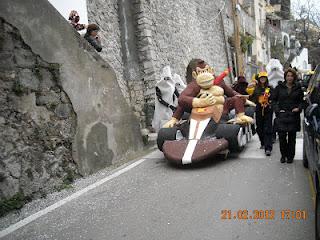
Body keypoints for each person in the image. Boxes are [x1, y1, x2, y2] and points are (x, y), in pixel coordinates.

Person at [163, 59, 253, 128]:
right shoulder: (195, 85)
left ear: (211, 71)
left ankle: (241, 116)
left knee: (237, 99)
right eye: (201, 72)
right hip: (200, 112)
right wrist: (200, 102)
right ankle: (174, 119)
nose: (205, 75)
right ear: (195, 75)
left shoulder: (219, 82)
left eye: (206, 71)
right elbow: (182, 98)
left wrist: (243, 99)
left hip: (221, 110)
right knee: (182, 104)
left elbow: (231, 93)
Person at [272, 68, 304, 163]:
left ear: (294, 77)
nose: (289, 78)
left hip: (293, 115)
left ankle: (290, 156)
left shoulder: (298, 88)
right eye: (288, 76)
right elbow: (273, 100)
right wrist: (277, 109)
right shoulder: (279, 87)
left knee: (292, 137)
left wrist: (298, 108)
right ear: (285, 77)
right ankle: (283, 155)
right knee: (281, 137)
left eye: (291, 76)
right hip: (282, 115)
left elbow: (302, 101)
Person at [249, 71, 273, 156]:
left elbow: (274, 98)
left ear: (266, 79)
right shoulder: (256, 88)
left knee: (267, 128)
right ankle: (263, 142)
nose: (263, 79)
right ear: (259, 79)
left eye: (264, 78)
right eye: (261, 78)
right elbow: (252, 98)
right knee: (259, 128)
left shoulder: (270, 88)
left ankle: (268, 148)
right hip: (259, 109)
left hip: (268, 110)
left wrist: (270, 101)